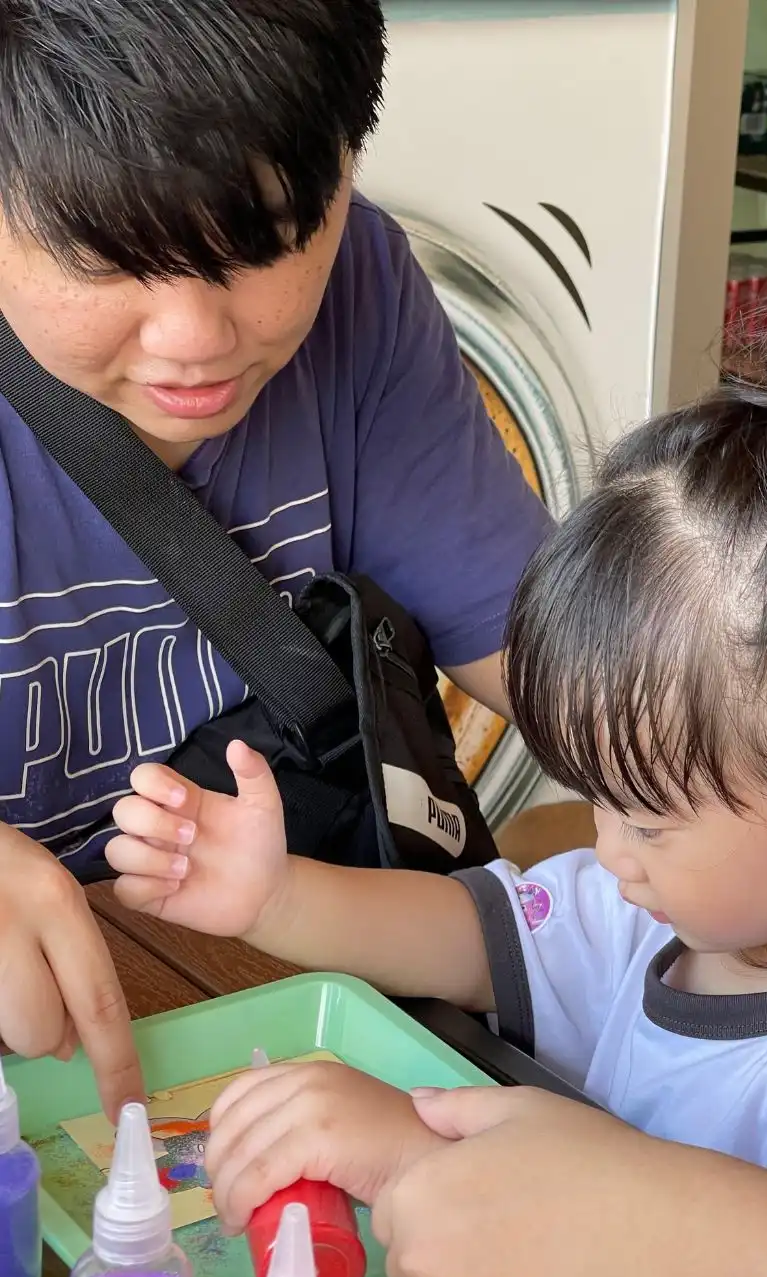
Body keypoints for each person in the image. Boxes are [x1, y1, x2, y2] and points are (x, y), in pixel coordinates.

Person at [112, 271, 767, 1277]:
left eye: (648, 816)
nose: (602, 845)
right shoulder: (686, 914)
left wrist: (416, 1159)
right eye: (599, 796)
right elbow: (467, 929)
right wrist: (276, 894)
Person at [0, 0, 564, 1119]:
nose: (196, 340)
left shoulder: (363, 286)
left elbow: (560, 670)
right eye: (108, 255)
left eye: (262, 240)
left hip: (275, 1035)